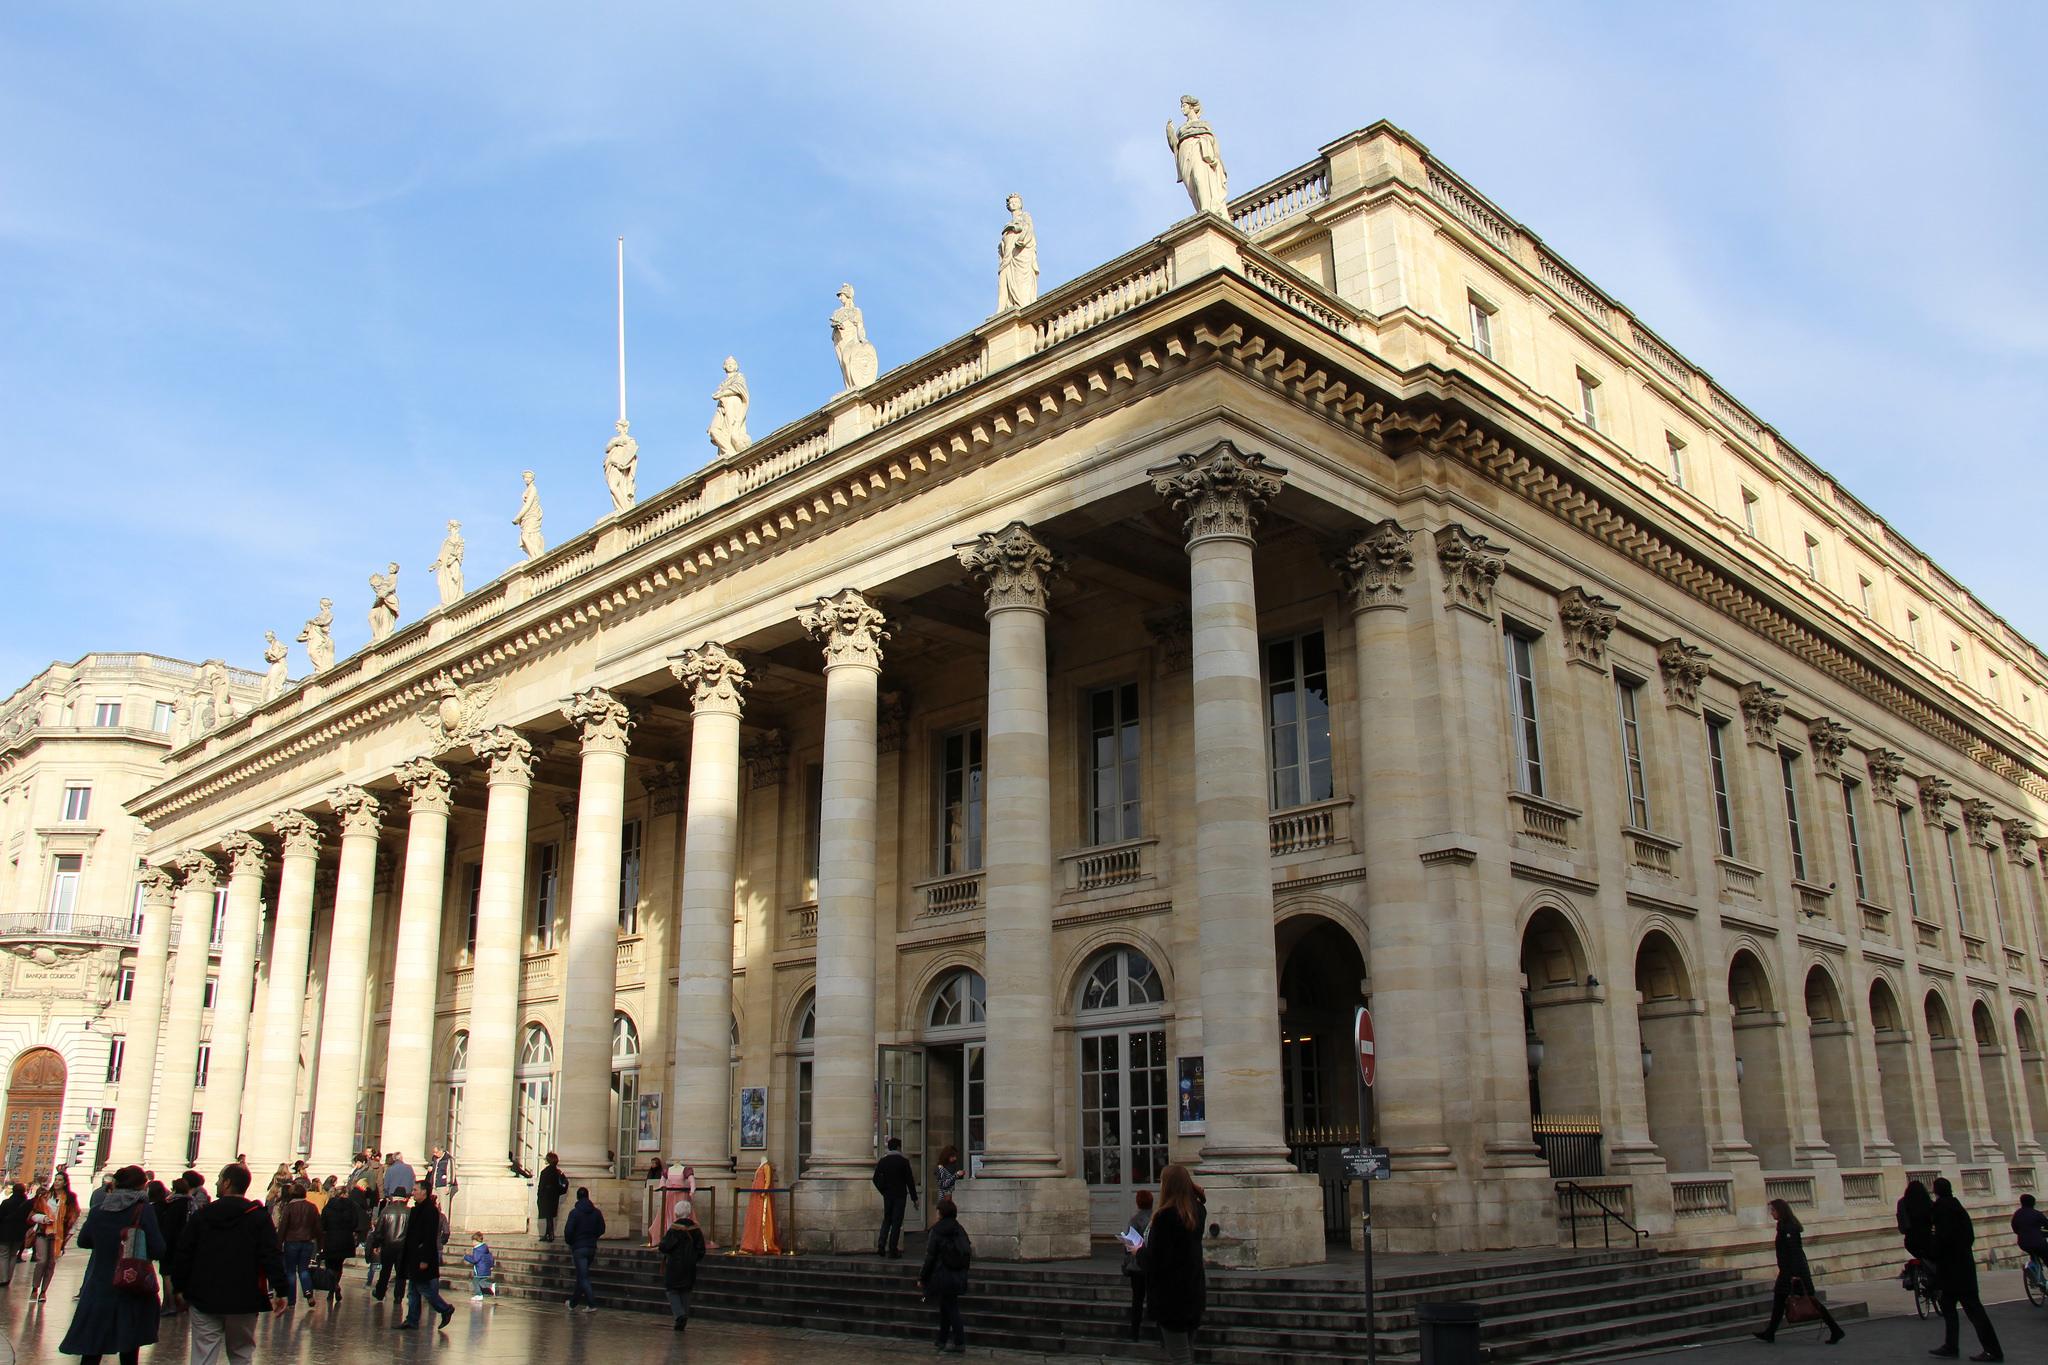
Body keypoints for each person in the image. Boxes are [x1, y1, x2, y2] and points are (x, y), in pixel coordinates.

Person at [175, 1163, 288, 1365]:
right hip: (244, 1296)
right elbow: (271, 1255)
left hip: (204, 1295)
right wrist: (281, 1289)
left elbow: (184, 1253)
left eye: (219, 1179)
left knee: (203, 1354)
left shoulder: (202, 1215)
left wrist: (179, 1287)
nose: (216, 1183)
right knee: (241, 1354)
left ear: (227, 1183)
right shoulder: (257, 1216)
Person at [58, 1164, 164, 1365]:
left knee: (92, 1345)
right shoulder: (143, 1210)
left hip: (99, 1285)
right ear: (142, 1186)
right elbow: (158, 1248)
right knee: (129, 1347)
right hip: (130, 1284)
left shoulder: (98, 1210)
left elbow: (84, 1241)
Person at [1750, 1197, 1843, 1343]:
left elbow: (1794, 1252)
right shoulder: (1784, 1226)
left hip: (1794, 1273)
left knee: (1810, 1301)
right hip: (1788, 1271)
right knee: (1779, 1301)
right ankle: (1770, 1332)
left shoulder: (1788, 1228)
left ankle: (1835, 1330)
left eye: (1773, 1210)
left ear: (1780, 1211)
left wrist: (1793, 1274)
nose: (1771, 1213)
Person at [1929, 1176, 2002, 1361]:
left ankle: (1991, 1350)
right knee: (1953, 1305)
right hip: (1964, 1264)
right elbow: (1969, 1237)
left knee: (1970, 1309)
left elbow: (1942, 1239)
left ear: (1936, 1191)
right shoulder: (1958, 1208)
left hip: (1952, 1268)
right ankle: (1952, 1345)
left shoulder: (1941, 1210)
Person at [1140, 1164, 1206, 1365]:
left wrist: (1136, 1250)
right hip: (1193, 1292)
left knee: (1180, 1357)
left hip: (1170, 1298)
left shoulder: (1164, 1217)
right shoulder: (1198, 1211)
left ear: (1167, 1186)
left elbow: (1154, 1261)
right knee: (1187, 1352)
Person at [918, 1196, 973, 1355]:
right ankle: (942, 1339)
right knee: (946, 1306)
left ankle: (959, 1342)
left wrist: (922, 1278)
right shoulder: (959, 1229)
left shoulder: (937, 1230)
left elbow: (930, 1257)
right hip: (958, 1274)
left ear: (941, 1213)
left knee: (951, 1308)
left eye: (937, 1211)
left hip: (943, 1274)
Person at [395, 1188, 455, 1331]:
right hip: (414, 1255)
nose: (413, 1192)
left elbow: (429, 1237)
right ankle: (412, 1319)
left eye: (416, 1190)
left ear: (424, 1192)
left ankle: (445, 1308)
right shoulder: (417, 1210)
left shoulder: (430, 1211)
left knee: (422, 1287)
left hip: (422, 1256)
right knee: (413, 1289)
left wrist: (425, 1259)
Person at [29, 1168, 79, 1301]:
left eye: (60, 1180)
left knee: (51, 1263)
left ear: (65, 1183)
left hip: (58, 1235)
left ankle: (43, 1291)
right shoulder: (45, 1197)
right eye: (56, 1179)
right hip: (43, 1232)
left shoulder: (70, 1199)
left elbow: (73, 1217)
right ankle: (35, 1288)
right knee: (42, 1261)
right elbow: (32, 1215)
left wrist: (69, 1234)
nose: (56, 1182)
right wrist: (43, 1218)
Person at [657, 1208, 706, 1330]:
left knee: (671, 1290)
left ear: (676, 1213)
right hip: (690, 1266)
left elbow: (664, 1246)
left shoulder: (674, 1229)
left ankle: (680, 1315)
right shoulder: (696, 1229)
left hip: (674, 1265)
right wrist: (693, 1259)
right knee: (686, 1290)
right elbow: (701, 1249)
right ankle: (683, 1319)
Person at [319, 1179, 364, 1306]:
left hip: (331, 1239)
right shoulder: (351, 1206)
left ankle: (333, 1286)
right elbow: (355, 1223)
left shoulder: (329, 1206)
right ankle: (334, 1286)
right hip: (345, 1240)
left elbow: (323, 1224)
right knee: (339, 1266)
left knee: (329, 1265)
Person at [872, 1135, 918, 1258]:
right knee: (897, 1222)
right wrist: (914, 1198)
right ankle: (893, 1249)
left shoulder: (883, 1161)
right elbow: (910, 1181)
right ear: (898, 1147)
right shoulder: (903, 1162)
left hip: (888, 1195)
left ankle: (881, 1245)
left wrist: (883, 1190)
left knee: (887, 1219)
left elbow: (875, 1178)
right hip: (900, 1195)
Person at [276, 1181, 320, 1308]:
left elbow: (283, 1226)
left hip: (291, 1242)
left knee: (290, 1271)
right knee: (304, 1269)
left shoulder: (289, 1207)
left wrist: (278, 1243)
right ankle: (308, 1292)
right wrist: (319, 1242)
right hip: (307, 1242)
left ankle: (291, 1301)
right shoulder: (312, 1207)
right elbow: (318, 1226)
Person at [563, 1186, 606, 1312]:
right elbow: (602, 1228)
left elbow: (568, 1231)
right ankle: (573, 1303)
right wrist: (594, 1237)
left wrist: (571, 1242)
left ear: (577, 1197)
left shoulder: (575, 1213)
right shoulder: (596, 1212)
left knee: (583, 1277)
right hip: (591, 1247)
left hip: (579, 1247)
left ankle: (592, 1304)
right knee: (581, 1276)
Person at [154, 1177, 192, 1313]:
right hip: (184, 1244)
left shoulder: (174, 1205)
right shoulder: (190, 1203)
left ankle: (170, 1304)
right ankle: (177, 1303)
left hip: (171, 1245)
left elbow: (169, 1228)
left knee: (167, 1274)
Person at [1122, 1188, 1154, 1340]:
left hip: (1137, 1266)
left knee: (1137, 1300)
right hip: (1152, 1265)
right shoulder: (1156, 1218)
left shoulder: (1134, 1220)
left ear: (1138, 1203)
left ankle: (1134, 1332)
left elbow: (1129, 1246)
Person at [370, 1186, 412, 1301]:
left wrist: (376, 1245)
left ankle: (380, 1292)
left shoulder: (386, 1210)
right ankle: (398, 1296)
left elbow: (379, 1230)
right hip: (403, 1247)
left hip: (388, 1246)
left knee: (385, 1271)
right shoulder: (410, 1212)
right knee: (401, 1273)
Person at [2013, 1192, 2048, 1290]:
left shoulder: (2017, 1214)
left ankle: (2035, 1274)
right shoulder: (2037, 1214)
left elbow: (2015, 1229)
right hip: (2038, 1242)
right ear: (2033, 1203)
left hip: (2023, 1243)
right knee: (2046, 1256)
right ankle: (2042, 1282)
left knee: (2033, 1253)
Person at [0, 1181, 29, 1286]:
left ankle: (3, 1278)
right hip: (19, 1234)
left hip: (5, 1233)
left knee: (3, 1255)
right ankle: (9, 1278)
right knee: (13, 1255)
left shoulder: (6, 1203)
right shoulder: (27, 1204)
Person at [535, 1153, 569, 1240]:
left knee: (548, 1216)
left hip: (546, 1196)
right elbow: (564, 1183)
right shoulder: (558, 1172)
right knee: (549, 1216)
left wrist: (539, 1196)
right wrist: (559, 1192)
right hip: (554, 1196)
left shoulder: (545, 1172)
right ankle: (548, 1234)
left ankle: (550, 1234)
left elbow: (541, 1186)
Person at [461, 1232, 495, 1301]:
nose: (472, 1243)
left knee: (475, 1281)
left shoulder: (477, 1250)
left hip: (480, 1269)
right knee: (481, 1282)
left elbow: (474, 1260)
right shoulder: (484, 1247)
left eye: (472, 1241)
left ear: (475, 1241)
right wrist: (491, 1265)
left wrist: (466, 1257)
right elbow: (490, 1257)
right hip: (486, 1269)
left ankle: (479, 1295)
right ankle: (491, 1286)